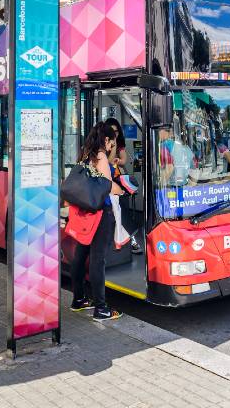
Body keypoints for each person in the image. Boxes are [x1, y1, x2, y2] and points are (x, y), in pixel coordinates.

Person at [64, 123, 122, 322]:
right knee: (98, 260)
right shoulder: (101, 156)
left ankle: (78, 299)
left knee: (80, 255)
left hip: (84, 212)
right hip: (99, 213)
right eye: (111, 143)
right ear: (106, 140)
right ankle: (101, 308)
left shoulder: (86, 153)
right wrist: (122, 189)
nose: (111, 147)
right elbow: (106, 186)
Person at [104, 118, 141, 254]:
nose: (115, 133)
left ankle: (131, 239)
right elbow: (106, 163)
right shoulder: (104, 146)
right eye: (112, 131)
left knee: (122, 208)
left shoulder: (118, 145)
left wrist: (118, 160)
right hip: (108, 180)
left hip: (118, 178)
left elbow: (124, 159)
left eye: (116, 131)